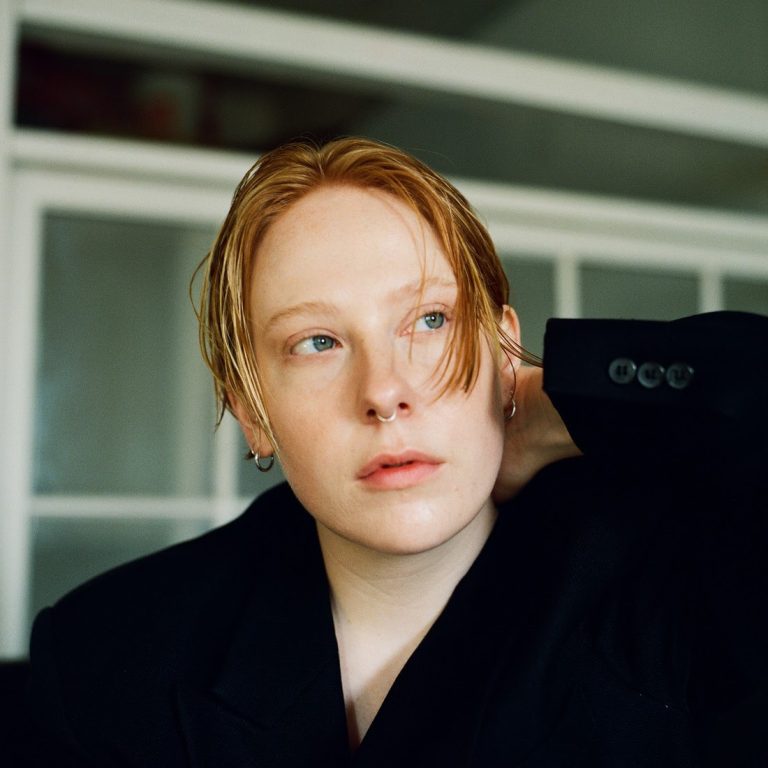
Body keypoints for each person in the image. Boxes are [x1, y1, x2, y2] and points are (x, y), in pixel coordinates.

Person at [17, 138, 767, 767]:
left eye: (430, 321)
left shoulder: (674, 575)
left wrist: (548, 407)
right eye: (317, 341)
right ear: (253, 414)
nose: (384, 391)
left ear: (503, 349)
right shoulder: (101, 660)